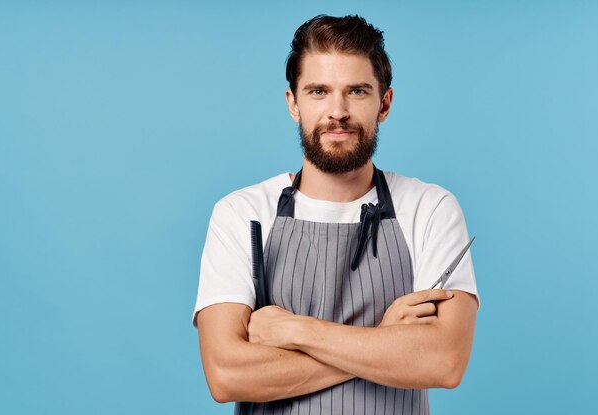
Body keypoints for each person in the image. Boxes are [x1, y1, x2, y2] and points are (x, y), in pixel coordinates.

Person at [192, 14, 480, 415]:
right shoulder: (242, 214)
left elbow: (443, 361)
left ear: (385, 103)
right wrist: (383, 341)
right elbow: (226, 375)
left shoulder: (430, 209)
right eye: (318, 91)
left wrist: (296, 330)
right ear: (293, 103)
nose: (338, 111)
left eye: (358, 91)